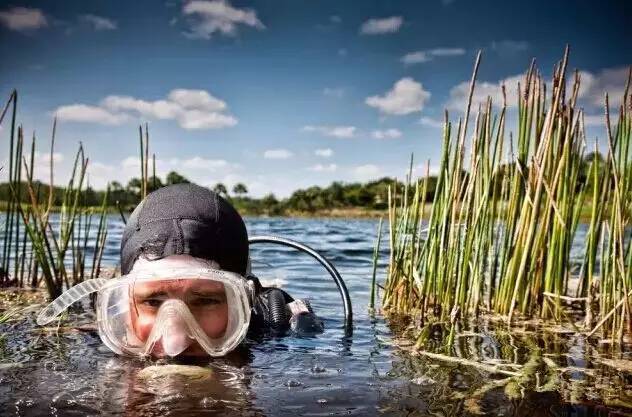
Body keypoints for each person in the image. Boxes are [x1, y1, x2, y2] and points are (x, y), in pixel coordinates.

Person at [37, 183, 322, 358]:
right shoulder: (97, 342)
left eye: (206, 300)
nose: (176, 344)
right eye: (151, 301)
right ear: (125, 301)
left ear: (242, 305)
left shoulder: (274, 332)